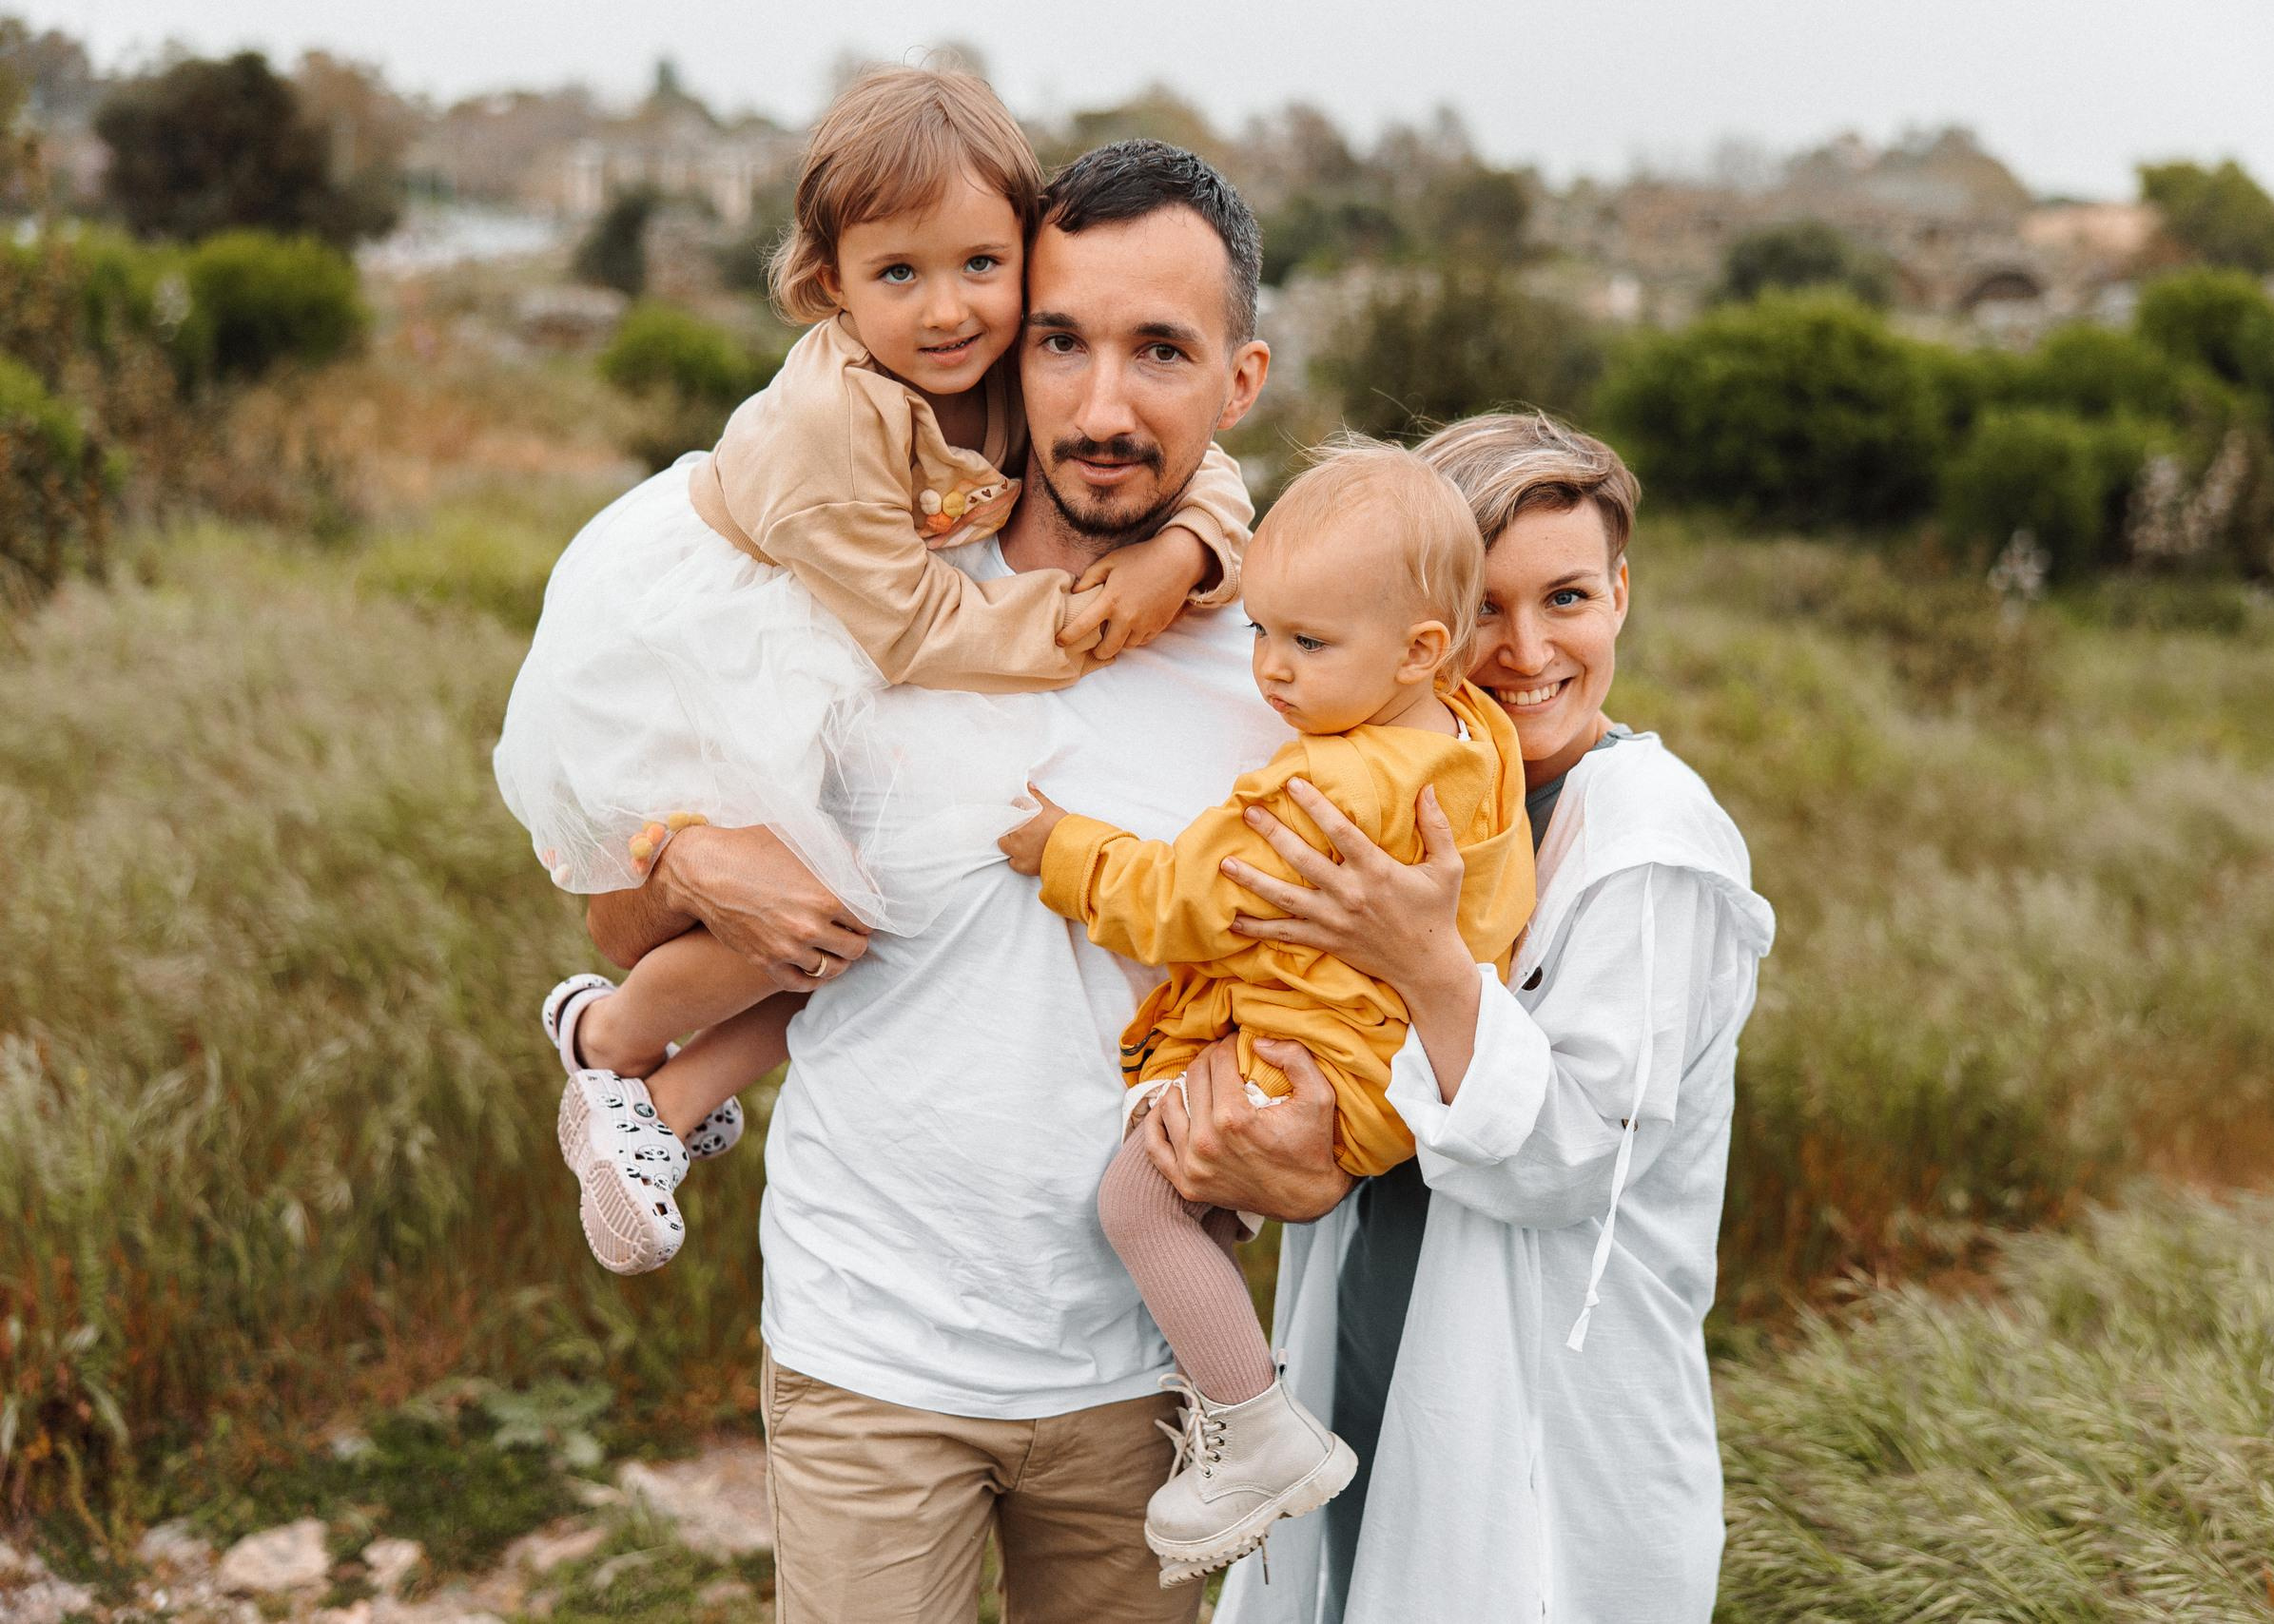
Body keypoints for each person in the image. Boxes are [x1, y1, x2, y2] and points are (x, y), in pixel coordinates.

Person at [587, 140, 1306, 1624]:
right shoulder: (854, 599)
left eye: (1162, 351)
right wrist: (689, 855)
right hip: (867, 1356)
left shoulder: (1283, 676)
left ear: (1241, 382)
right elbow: (613, 923)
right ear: (1008, 351)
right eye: (1062, 342)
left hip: (1145, 1368)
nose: (1101, 409)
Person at [489, 67, 1254, 1274]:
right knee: (821, 899)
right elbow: (909, 631)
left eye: (980, 268)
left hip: (1106, 1326)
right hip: (726, 637)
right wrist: (1072, 624)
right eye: (899, 274)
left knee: (859, 912)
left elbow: (1183, 452)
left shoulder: (1270, 656)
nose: (949, 310)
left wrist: (1185, 550)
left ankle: (675, 1093)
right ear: (829, 281)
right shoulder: (834, 438)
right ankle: (610, 1044)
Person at [1157, 414, 1778, 1624]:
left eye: (1568, 598)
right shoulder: (1393, 788)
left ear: (1621, 596)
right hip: (1370, 1348)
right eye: (1486, 607)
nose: (1527, 649)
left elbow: (1570, 1161)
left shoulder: (1648, 842)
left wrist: (1426, 960)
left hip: (1542, 1433)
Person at [996, 440, 1537, 1586]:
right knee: (1187, 1189)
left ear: (1420, 649)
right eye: (1260, 631)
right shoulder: (1472, 736)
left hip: (1314, 1062)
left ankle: (1254, 1431)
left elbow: (1181, 899)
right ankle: (1229, 1387)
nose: (1271, 672)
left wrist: (1063, 848)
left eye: (1308, 643)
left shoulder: (1320, 786)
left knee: (1135, 1200)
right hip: (1388, 1062)